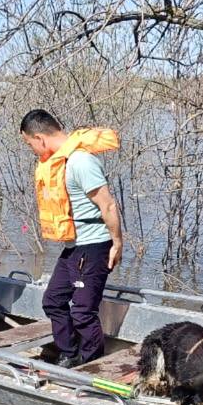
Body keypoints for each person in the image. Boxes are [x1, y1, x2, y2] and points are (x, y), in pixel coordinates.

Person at [19, 109, 122, 368]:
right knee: (52, 300)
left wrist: (117, 242)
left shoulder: (80, 162)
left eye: (29, 143)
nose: (31, 149)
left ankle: (91, 364)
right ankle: (69, 353)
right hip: (74, 246)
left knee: (83, 311)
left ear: (40, 138)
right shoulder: (58, 162)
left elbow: (108, 205)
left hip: (94, 244)